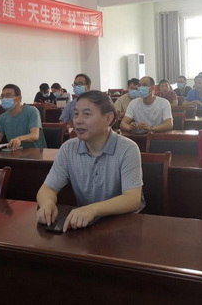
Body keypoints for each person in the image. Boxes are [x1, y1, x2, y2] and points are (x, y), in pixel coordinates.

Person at [36, 91, 143, 232]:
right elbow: (48, 188)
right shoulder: (68, 148)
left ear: (108, 118)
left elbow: (132, 199)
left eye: (87, 114)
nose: (78, 121)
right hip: (86, 224)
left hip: (123, 225)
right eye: (76, 114)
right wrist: (47, 204)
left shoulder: (127, 148)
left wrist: (93, 209)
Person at [0, 84, 46, 149]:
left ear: (19, 98)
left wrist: (19, 139)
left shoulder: (32, 111)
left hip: (35, 153)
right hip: (14, 153)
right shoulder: (3, 117)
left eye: (8, 95)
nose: (4, 99)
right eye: (2, 96)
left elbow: (35, 135)